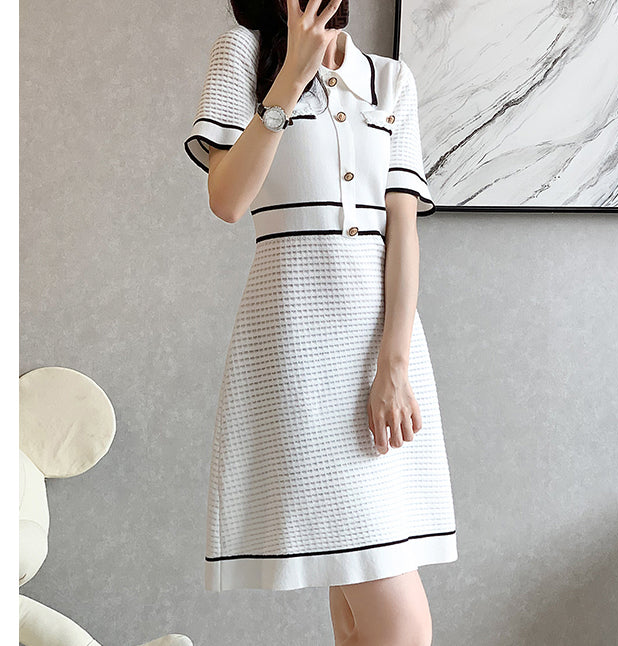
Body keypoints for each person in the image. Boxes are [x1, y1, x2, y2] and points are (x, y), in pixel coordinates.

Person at [183, 1, 458, 644]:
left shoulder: (390, 80)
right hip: (296, 347)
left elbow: (402, 233)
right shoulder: (242, 53)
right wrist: (290, 77)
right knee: (400, 623)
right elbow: (227, 200)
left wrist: (394, 366)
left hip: (382, 353)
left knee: (360, 616)